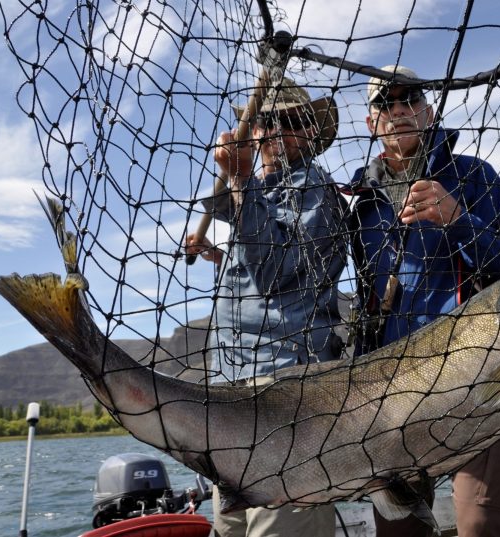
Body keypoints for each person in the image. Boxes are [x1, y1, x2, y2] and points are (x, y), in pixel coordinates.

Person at [344, 65, 500, 537]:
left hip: (476, 378)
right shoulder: (358, 201)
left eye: (410, 99)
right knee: (399, 531)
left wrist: (456, 218)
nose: (399, 111)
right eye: (385, 103)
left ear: (428, 111)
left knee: (482, 523)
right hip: (391, 396)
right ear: (371, 123)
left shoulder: (474, 176)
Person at [185, 78, 346, 537]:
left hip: (286, 408)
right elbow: (260, 277)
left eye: (290, 121)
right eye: (265, 119)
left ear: (310, 135)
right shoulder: (255, 194)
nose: (274, 130)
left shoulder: (317, 190)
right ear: (252, 130)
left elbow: (276, 272)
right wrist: (223, 251)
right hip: (232, 400)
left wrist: (238, 179)